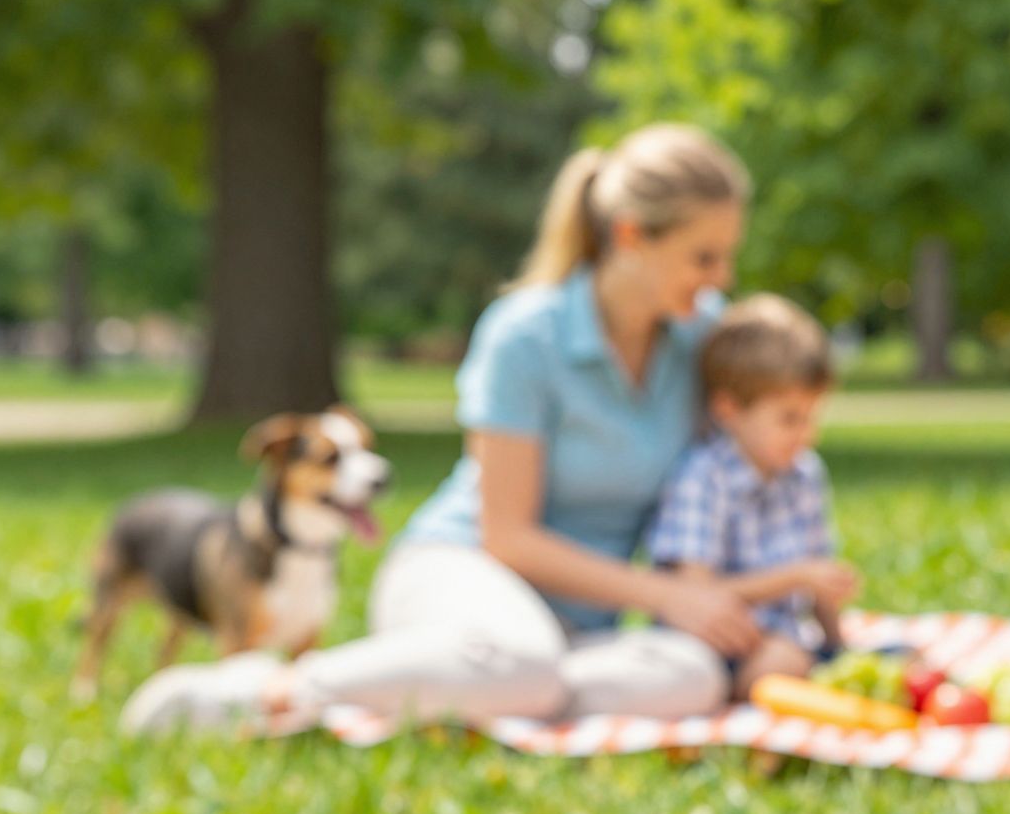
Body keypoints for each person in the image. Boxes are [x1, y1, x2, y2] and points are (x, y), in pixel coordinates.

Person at [122, 124, 763, 734]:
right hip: (460, 573)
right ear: (630, 235)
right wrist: (663, 596)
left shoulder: (700, 340)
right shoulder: (527, 335)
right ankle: (263, 691)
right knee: (527, 663)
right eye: (704, 257)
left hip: (572, 629)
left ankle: (483, 692)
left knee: (693, 676)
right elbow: (507, 537)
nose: (722, 279)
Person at [648, 294, 859, 700]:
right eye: (789, 419)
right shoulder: (704, 478)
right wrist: (796, 577)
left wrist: (838, 647)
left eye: (811, 417)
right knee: (783, 664)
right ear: (729, 409)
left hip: (782, 638)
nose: (806, 434)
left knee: (902, 660)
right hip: (712, 642)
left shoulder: (804, 473)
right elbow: (695, 590)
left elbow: (819, 584)